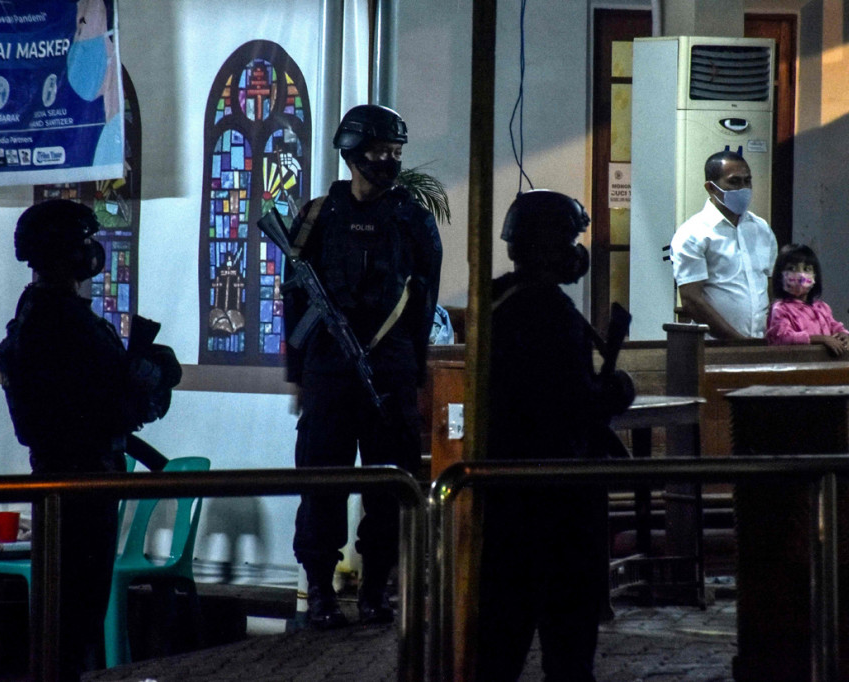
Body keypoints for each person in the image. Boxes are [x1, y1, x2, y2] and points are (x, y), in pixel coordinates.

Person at [0, 199, 180, 680]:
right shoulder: (60, 321)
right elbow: (101, 403)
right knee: (74, 609)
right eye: (84, 244)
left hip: (79, 472)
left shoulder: (46, 313)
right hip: (79, 476)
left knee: (74, 611)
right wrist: (149, 380)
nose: (92, 254)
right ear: (69, 253)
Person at [284, 104, 442, 629]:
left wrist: (412, 373)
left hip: (389, 372)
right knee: (321, 485)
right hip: (328, 371)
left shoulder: (412, 219)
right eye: (378, 152)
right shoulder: (315, 215)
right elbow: (292, 301)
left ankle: (375, 588)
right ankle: (320, 592)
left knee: (387, 488)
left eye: (395, 153)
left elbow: (424, 301)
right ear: (351, 153)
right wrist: (298, 377)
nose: (388, 162)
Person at [476, 190, 635, 682]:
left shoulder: (497, 299)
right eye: (569, 239)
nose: (575, 252)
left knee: (502, 633)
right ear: (547, 245)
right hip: (557, 493)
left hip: (507, 491)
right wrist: (614, 392)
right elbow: (568, 403)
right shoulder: (546, 311)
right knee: (567, 635)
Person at [670, 150, 778, 339]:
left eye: (747, 181)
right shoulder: (693, 233)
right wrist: (737, 342)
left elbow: (770, 287)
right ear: (711, 188)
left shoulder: (761, 229)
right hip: (715, 346)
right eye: (734, 182)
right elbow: (691, 300)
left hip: (762, 344)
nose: (743, 188)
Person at [766, 244, 849, 356]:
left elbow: (835, 326)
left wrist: (843, 334)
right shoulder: (780, 309)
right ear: (780, 276)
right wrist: (822, 339)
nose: (800, 275)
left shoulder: (822, 307)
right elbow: (783, 338)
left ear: (815, 276)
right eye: (792, 269)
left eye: (807, 269)